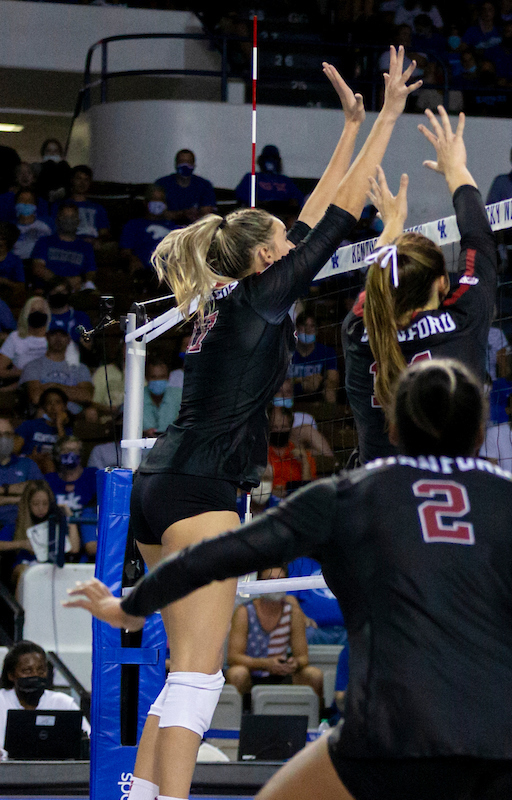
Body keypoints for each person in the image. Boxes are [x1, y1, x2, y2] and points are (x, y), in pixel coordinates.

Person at [69, 358, 512, 800]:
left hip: (400, 731)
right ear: (478, 432)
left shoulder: (344, 496)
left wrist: (133, 606)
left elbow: (212, 557)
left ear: (391, 425)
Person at [102, 56, 419, 800]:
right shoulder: (262, 299)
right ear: (269, 257)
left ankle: (141, 796)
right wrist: (388, 117)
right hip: (201, 495)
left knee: (181, 669)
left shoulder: (224, 301)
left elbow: (316, 213)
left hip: (159, 489)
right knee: (198, 678)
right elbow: (338, 212)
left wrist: (348, 127)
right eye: (284, 238)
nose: (294, 238)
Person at [342, 106, 498, 466]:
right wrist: (455, 168)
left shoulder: (357, 331)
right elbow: (480, 241)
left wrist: (391, 226)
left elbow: (379, 284)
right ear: (443, 283)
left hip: (378, 494)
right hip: (449, 490)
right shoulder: (464, 318)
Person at [226, 567, 324, 701]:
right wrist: (266, 664)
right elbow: (233, 657)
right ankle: (239, 718)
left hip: (283, 675)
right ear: (259, 583)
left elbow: (303, 658)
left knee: (314, 675)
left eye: (280, 581)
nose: (275, 586)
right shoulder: (244, 611)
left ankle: (318, 720)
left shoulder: (293, 612)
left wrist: (293, 664)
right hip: (251, 674)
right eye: (270, 581)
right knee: (236, 673)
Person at [0, 642, 90, 760]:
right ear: (11, 675)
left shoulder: (63, 703)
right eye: (27, 671)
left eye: (41, 670)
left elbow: (91, 740)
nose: (35, 675)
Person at [155, 149, 218, 223]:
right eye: (182, 162)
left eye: (189, 162)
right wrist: (182, 214)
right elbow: (156, 213)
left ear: (194, 165)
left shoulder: (204, 186)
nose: (185, 166)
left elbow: (207, 215)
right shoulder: (162, 184)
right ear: (176, 164)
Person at [290, 313, 340, 404]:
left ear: (317, 330)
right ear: (296, 329)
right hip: (289, 394)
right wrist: (301, 380)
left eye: (312, 326)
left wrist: (323, 382)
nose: (308, 330)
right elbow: (276, 381)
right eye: (304, 325)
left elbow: (333, 379)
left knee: (330, 391)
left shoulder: (327, 352)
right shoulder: (287, 352)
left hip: (317, 395)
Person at [235, 145, 304, 209]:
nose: (270, 162)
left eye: (274, 158)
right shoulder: (251, 177)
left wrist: (291, 203)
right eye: (267, 158)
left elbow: (297, 198)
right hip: (259, 211)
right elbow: (241, 196)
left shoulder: (285, 180)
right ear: (261, 160)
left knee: (292, 218)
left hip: (282, 212)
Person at [141, 358, 182, 437]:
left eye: (162, 377)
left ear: (168, 377)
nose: (158, 381)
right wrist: (143, 432)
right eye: (154, 377)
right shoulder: (136, 398)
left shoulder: (179, 396)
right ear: (146, 377)